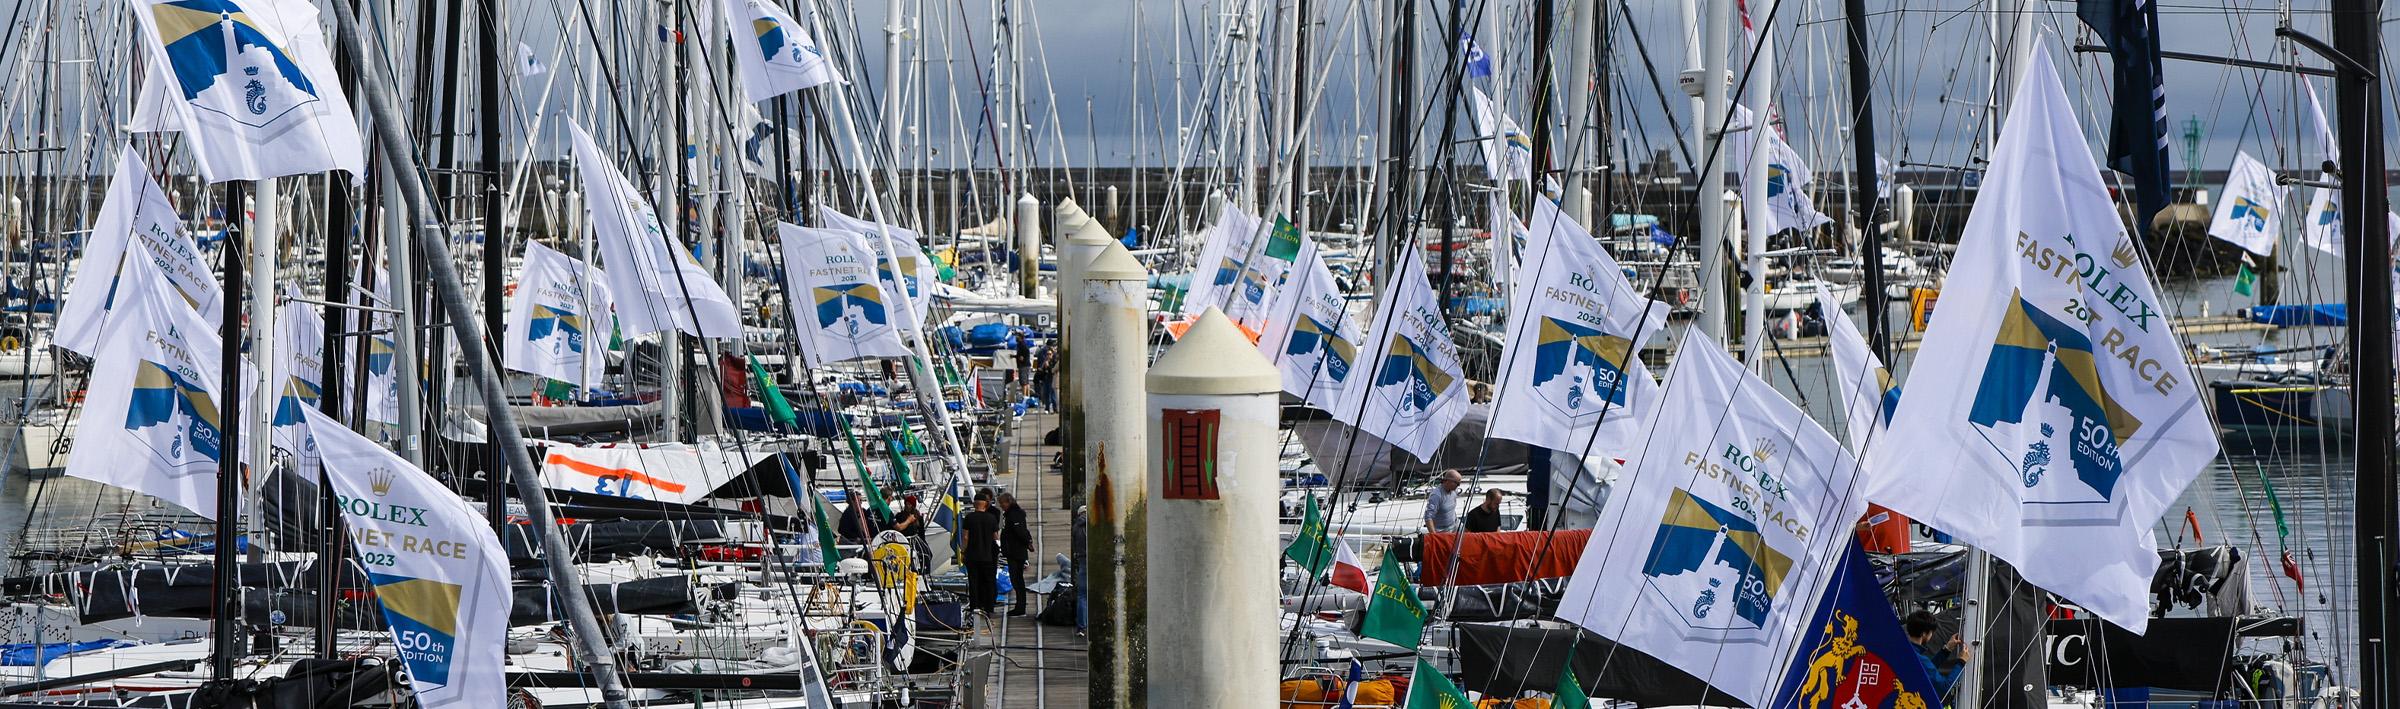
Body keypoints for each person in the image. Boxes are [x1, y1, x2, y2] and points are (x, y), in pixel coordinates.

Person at [1905, 610, 1969, 701]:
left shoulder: (1907, 653)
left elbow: (1924, 671)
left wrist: (1947, 649)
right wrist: (1961, 662)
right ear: (1924, 633)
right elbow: (1944, 687)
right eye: (1931, 632)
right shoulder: (1920, 660)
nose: (1931, 635)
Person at [959, 491, 1004, 615]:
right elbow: (996, 537)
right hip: (988, 556)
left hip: (972, 555)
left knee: (974, 581)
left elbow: (965, 537)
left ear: (974, 504)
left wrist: (963, 551)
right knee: (989, 581)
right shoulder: (991, 518)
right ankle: (989, 607)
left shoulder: (969, 518)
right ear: (985, 504)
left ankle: (975, 606)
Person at [999, 492, 1033, 615]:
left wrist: (1028, 542)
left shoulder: (1014, 515)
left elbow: (1020, 531)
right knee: (1017, 579)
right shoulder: (1012, 514)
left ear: (1009, 502)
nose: (1001, 506)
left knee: (1017, 580)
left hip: (1015, 552)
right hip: (1014, 551)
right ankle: (1020, 606)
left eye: (1002, 503)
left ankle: (1020, 607)